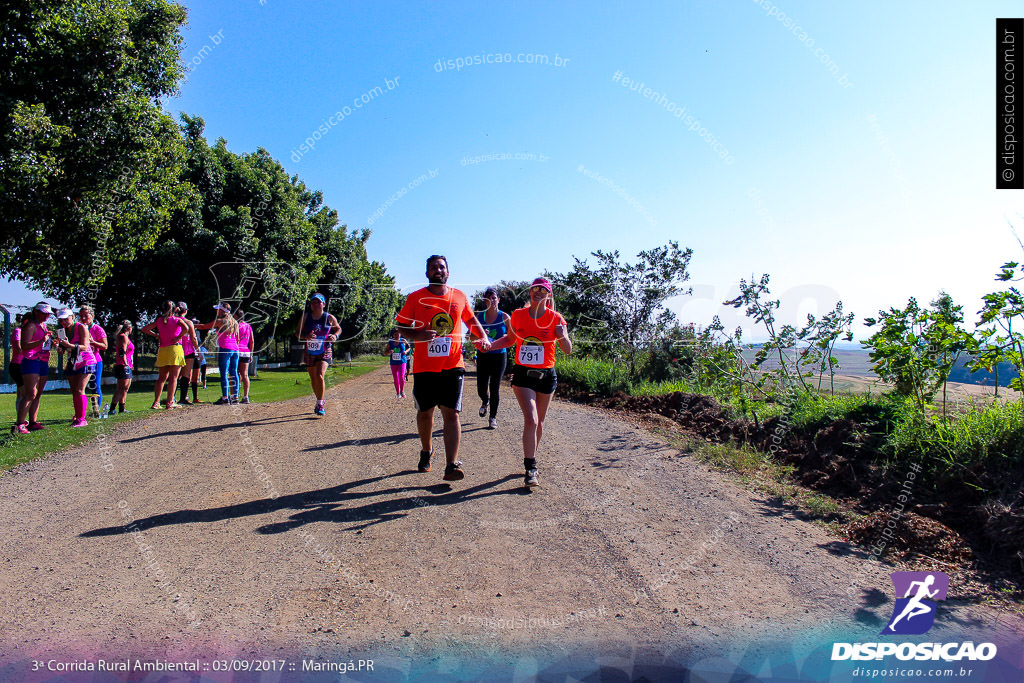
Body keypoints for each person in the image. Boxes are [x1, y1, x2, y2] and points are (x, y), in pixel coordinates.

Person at [396, 255, 490, 481]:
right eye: (433, 267)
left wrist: (483, 337)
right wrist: (418, 335)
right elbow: (401, 327)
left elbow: (471, 321)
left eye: (442, 267)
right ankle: (427, 450)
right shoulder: (415, 298)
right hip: (424, 367)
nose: (438, 270)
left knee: (451, 413)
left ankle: (451, 464)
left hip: (453, 364)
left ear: (448, 271)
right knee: (425, 412)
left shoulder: (458, 296)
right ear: (427, 273)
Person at [488, 277, 572, 487]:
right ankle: (531, 467)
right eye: (535, 289)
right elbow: (510, 339)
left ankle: (531, 457)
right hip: (524, 374)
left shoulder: (557, 318)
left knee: (540, 423)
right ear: (530, 292)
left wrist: (562, 336)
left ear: (548, 295)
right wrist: (490, 345)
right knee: (532, 420)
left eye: (543, 291)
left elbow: (568, 349)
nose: (538, 293)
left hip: (546, 375)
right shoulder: (518, 315)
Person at [296, 293, 340, 416]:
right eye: (313, 302)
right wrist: (306, 336)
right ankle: (319, 400)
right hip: (310, 351)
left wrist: (335, 335)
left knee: (320, 374)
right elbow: (297, 334)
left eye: (318, 302)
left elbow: (338, 328)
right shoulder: (305, 317)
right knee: (313, 378)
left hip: (325, 349)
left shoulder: (329, 317)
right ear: (310, 305)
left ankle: (320, 403)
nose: (315, 305)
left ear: (324, 304)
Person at [474, 287, 511, 429]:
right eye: (488, 298)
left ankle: (493, 417)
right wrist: (482, 334)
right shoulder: (480, 317)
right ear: (485, 301)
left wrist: (505, 337)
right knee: (481, 388)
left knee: (494, 387)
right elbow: (472, 335)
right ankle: (485, 400)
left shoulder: (505, 317)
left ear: (498, 300)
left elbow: (513, 334)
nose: (492, 301)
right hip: (483, 355)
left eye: (494, 298)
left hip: (499, 356)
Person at [141, 300, 188, 410]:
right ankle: (170, 402)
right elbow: (186, 328)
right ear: (175, 309)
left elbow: (145, 329)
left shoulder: (159, 321)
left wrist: (156, 335)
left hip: (163, 349)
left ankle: (156, 402)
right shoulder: (176, 320)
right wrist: (178, 337)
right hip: (175, 349)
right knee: (173, 378)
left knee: (161, 378)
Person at [14, 303, 53, 434]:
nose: (46, 316)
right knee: (30, 394)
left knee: (38, 394)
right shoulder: (30, 325)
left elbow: (43, 343)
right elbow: (24, 346)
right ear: (36, 312)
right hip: (31, 361)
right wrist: (42, 340)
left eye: (48, 313)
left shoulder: (43, 325)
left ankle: (33, 422)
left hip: (43, 361)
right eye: (44, 313)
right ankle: (19, 424)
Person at [54, 307, 95, 427]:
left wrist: (69, 345)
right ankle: (78, 416)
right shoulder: (63, 331)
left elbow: (84, 346)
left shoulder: (81, 327)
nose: (63, 322)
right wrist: (59, 347)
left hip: (85, 360)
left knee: (79, 389)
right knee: (74, 391)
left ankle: (82, 419)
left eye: (65, 319)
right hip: (73, 361)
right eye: (61, 320)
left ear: (72, 317)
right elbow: (64, 350)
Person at [196, 303, 241, 404]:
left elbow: (204, 327)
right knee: (234, 372)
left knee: (224, 373)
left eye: (218, 309)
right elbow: (237, 339)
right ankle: (235, 397)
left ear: (222, 311)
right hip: (235, 350)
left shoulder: (220, 321)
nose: (217, 311)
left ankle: (225, 397)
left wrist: (191, 325)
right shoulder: (234, 322)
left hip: (225, 348)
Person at [79, 305, 107, 418]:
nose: (84, 318)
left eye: (86, 315)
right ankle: (81, 413)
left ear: (92, 316)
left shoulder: (97, 329)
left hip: (95, 361)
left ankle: (96, 411)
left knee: (95, 385)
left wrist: (93, 342)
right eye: (81, 316)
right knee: (82, 387)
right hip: (81, 361)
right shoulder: (78, 328)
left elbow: (105, 346)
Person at [174, 302, 201, 405]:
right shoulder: (188, 322)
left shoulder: (173, 321)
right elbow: (193, 338)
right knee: (185, 375)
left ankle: (172, 397)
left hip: (177, 349)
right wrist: (198, 351)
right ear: (185, 311)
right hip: (188, 351)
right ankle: (183, 398)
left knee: (175, 375)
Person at [107, 320, 135, 414]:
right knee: (120, 388)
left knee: (125, 388)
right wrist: (125, 364)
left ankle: (122, 408)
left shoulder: (125, 337)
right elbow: (122, 352)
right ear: (129, 328)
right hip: (123, 365)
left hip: (128, 365)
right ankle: (112, 408)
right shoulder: (123, 337)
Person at [383, 329, 411, 398]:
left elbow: (409, 348)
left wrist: (406, 352)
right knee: (395, 378)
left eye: (398, 334)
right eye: (395, 334)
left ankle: (402, 391)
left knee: (401, 376)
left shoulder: (403, 341)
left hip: (402, 361)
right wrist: (389, 352)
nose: (396, 335)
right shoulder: (390, 342)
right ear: (393, 335)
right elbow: (385, 352)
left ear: (400, 334)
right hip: (393, 362)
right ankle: (398, 393)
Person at [235, 309, 255, 404]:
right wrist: (251, 353)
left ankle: (235, 395)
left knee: (236, 373)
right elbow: (251, 341)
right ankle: (245, 396)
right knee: (245, 374)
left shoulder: (236, 326)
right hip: (246, 351)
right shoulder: (248, 326)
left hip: (237, 350)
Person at [10, 313, 23, 421]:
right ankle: (20, 419)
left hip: (25, 364)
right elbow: (19, 349)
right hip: (18, 364)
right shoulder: (18, 331)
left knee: (21, 392)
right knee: (23, 392)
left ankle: (21, 418)